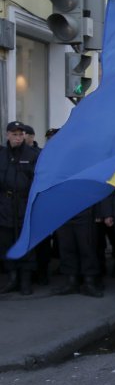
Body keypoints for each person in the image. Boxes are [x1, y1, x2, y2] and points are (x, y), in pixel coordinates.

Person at [0, 121, 40, 295]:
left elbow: (38, 180)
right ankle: (13, 278)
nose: (18, 137)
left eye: (20, 134)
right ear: (7, 135)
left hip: (25, 204)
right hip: (5, 205)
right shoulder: (1, 155)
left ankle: (25, 281)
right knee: (7, 243)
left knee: (25, 243)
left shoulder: (32, 155)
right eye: (14, 134)